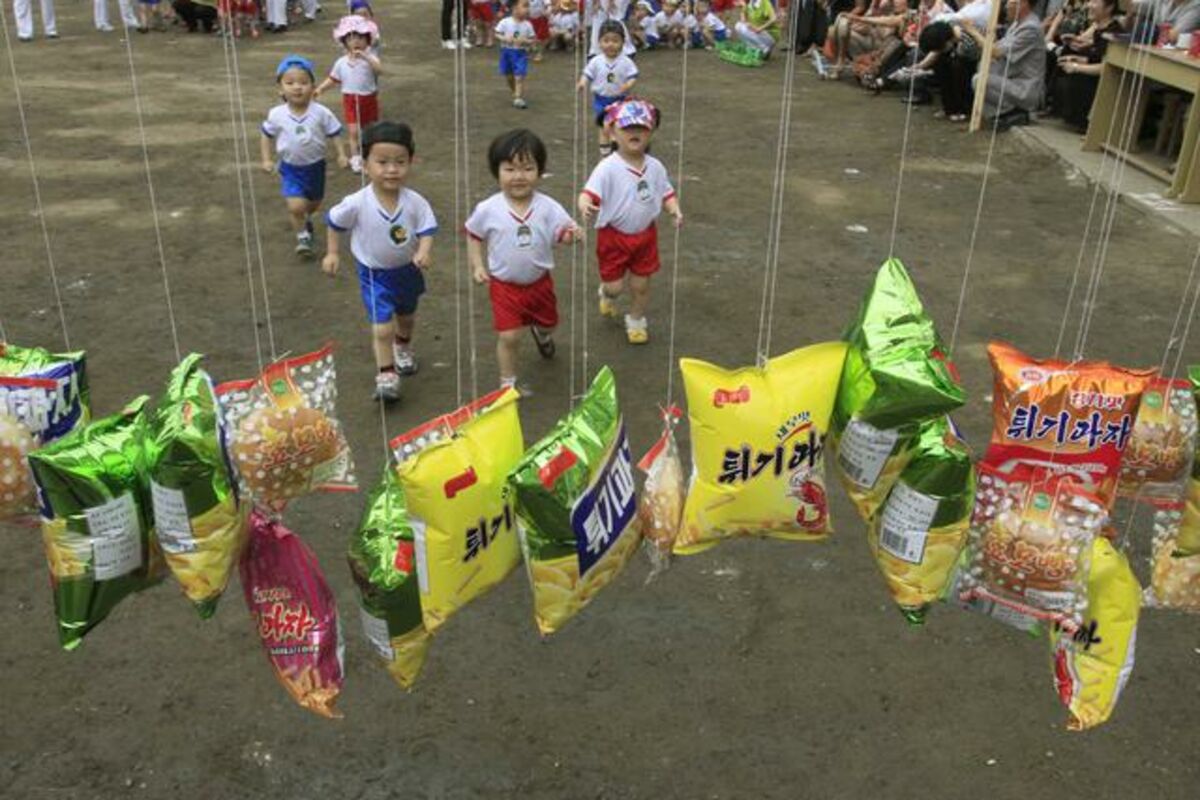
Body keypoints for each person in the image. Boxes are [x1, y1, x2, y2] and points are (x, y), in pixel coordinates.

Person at [324, 122, 438, 401]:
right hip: (374, 275)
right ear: (365, 165)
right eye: (382, 162)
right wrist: (332, 253)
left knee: (407, 317)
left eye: (400, 162)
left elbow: (426, 229)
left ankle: (403, 346)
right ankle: (386, 374)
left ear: (410, 162)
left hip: (408, 271)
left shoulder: (415, 202)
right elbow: (334, 223)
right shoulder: (356, 202)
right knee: (382, 325)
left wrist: (424, 251)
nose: (391, 169)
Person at [466, 129, 581, 393]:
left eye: (528, 168)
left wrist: (572, 236)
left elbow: (563, 232)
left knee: (549, 324)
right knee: (508, 336)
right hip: (504, 286)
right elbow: (474, 234)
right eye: (510, 169)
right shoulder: (488, 209)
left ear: (540, 172)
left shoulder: (548, 206)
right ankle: (507, 384)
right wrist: (478, 265)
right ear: (497, 171)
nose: (518, 176)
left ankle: (542, 333)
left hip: (540, 283)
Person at [578, 98, 683, 345]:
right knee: (614, 287)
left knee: (641, 285)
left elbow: (666, 192)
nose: (635, 132)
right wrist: (585, 204)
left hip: (646, 236)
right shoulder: (607, 167)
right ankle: (606, 293)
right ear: (612, 133)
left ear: (651, 131)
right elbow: (588, 193)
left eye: (642, 128)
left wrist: (674, 210)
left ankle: (636, 320)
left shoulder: (655, 167)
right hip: (613, 237)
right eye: (627, 127)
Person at [259, 55, 349, 257]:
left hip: (316, 167)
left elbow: (334, 133)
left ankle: (306, 218)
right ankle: (302, 238)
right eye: (290, 83)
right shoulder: (276, 114)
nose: (297, 87)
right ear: (280, 89)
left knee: (313, 203)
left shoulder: (322, 112)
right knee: (296, 206)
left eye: (303, 82)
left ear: (313, 87)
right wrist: (266, 159)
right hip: (290, 168)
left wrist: (342, 155)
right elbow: (266, 135)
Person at [316, 15, 383, 173]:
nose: (356, 41)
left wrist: (366, 57)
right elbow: (333, 79)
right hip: (350, 100)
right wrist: (320, 89)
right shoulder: (341, 62)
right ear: (344, 42)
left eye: (361, 37)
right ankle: (355, 158)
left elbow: (379, 70)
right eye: (351, 38)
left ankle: (368, 156)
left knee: (369, 130)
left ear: (367, 40)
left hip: (368, 98)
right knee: (353, 131)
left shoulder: (371, 58)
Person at [964, 0, 1046, 127]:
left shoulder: (1031, 28)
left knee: (979, 79)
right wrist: (985, 34)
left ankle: (1014, 112)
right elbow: (997, 47)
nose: (1006, 6)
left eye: (1010, 2)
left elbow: (996, 52)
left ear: (1023, 4)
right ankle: (1003, 113)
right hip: (1012, 79)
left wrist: (972, 31)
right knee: (983, 66)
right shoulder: (1017, 24)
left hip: (1024, 88)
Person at [1049, 0, 1121, 129]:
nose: (1089, 5)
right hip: (1092, 71)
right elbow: (1095, 57)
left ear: (1109, 7)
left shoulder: (1114, 33)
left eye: (1095, 2)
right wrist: (1075, 59)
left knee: (1071, 79)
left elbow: (1106, 67)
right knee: (1063, 57)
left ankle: (1083, 121)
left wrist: (1076, 67)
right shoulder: (1098, 28)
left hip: (1104, 82)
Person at [577, 21, 639, 155]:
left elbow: (633, 76)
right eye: (606, 41)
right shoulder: (596, 61)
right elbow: (587, 74)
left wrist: (628, 85)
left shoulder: (626, 61)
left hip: (620, 100)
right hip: (601, 100)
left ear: (623, 43)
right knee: (603, 126)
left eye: (615, 41)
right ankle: (604, 151)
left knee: (618, 125)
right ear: (599, 42)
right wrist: (582, 82)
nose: (610, 44)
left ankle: (618, 147)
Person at [497, 0, 537, 109]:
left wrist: (525, 40)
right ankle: (515, 92)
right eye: (524, 6)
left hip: (520, 53)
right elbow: (497, 34)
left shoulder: (528, 25)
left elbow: (533, 39)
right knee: (509, 76)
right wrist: (505, 38)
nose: (527, 9)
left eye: (528, 6)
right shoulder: (505, 22)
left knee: (519, 76)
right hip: (507, 52)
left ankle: (518, 97)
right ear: (514, 8)